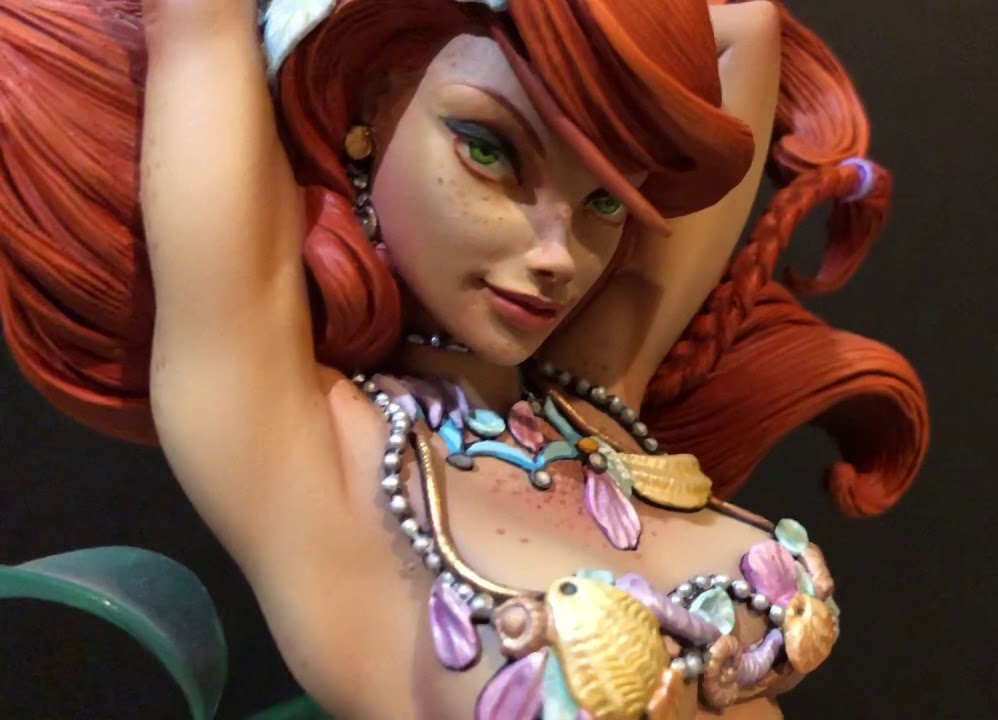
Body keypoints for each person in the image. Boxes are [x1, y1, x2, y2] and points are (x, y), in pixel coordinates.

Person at [0, 0, 929, 717]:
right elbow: (197, 27)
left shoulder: (597, 400)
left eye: (606, 201)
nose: (557, 254)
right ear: (367, 109)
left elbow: (741, 28)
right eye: (491, 151)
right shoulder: (301, 448)